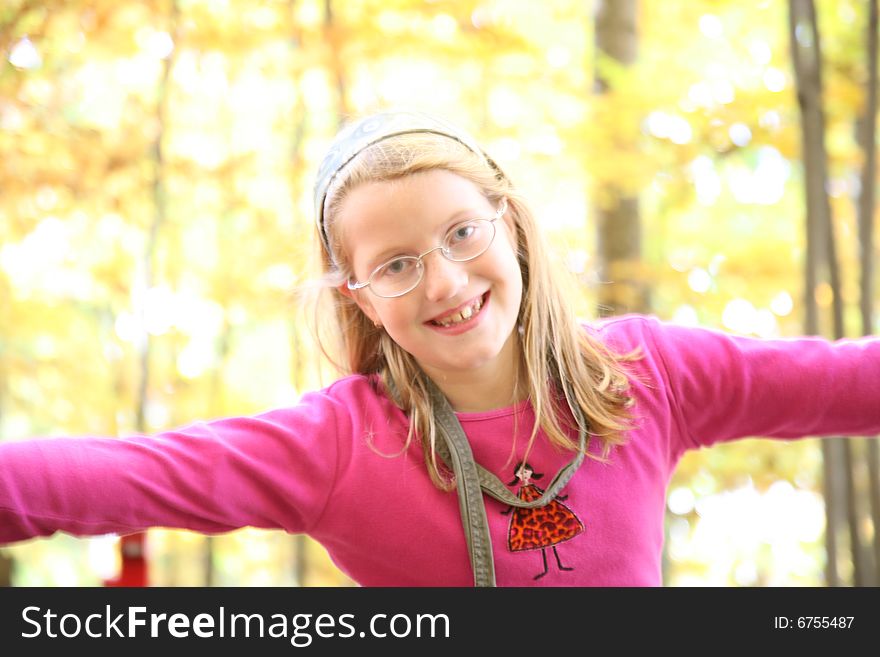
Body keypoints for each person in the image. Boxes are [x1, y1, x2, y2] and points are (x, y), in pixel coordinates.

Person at [0, 110, 878, 586]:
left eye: (463, 232)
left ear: (512, 225)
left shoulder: (649, 375)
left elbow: (850, 381)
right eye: (397, 265)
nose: (447, 282)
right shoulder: (340, 443)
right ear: (360, 301)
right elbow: (112, 475)